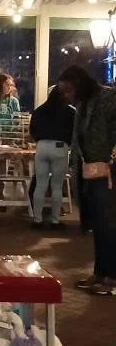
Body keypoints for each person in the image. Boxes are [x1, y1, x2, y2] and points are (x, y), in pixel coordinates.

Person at [58, 65, 116, 296]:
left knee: (109, 226)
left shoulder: (109, 98)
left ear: (80, 85)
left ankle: (111, 278)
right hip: (90, 171)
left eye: (68, 90)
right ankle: (100, 273)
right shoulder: (83, 106)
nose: (66, 96)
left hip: (108, 172)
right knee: (99, 226)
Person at [29, 85, 74, 228]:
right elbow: (74, 131)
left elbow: (32, 130)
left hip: (41, 146)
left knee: (40, 184)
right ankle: (55, 220)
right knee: (57, 186)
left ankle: (37, 219)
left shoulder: (39, 110)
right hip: (60, 147)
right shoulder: (70, 112)